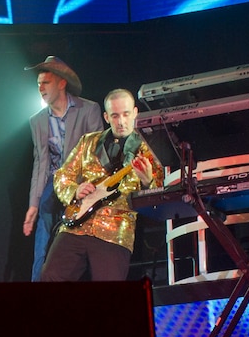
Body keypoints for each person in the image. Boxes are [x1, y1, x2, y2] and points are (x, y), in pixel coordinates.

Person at [40, 88, 163, 282]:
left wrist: (148, 181)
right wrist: (75, 190)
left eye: (126, 114)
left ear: (135, 113)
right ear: (106, 116)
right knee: (50, 277)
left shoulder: (148, 149)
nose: (121, 121)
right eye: (115, 116)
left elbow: (161, 196)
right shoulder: (88, 142)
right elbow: (63, 175)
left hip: (115, 231)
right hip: (75, 226)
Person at [23, 56, 103, 280]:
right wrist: (33, 204)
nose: (40, 88)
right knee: (44, 232)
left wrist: (85, 187)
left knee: (85, 237)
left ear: (61, 83)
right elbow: (41, 163)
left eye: (45, 82)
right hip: (54, 182)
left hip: (83, 182)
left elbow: (97, 155)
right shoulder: (37, 121)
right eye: (38, 84)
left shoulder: (88, 110)